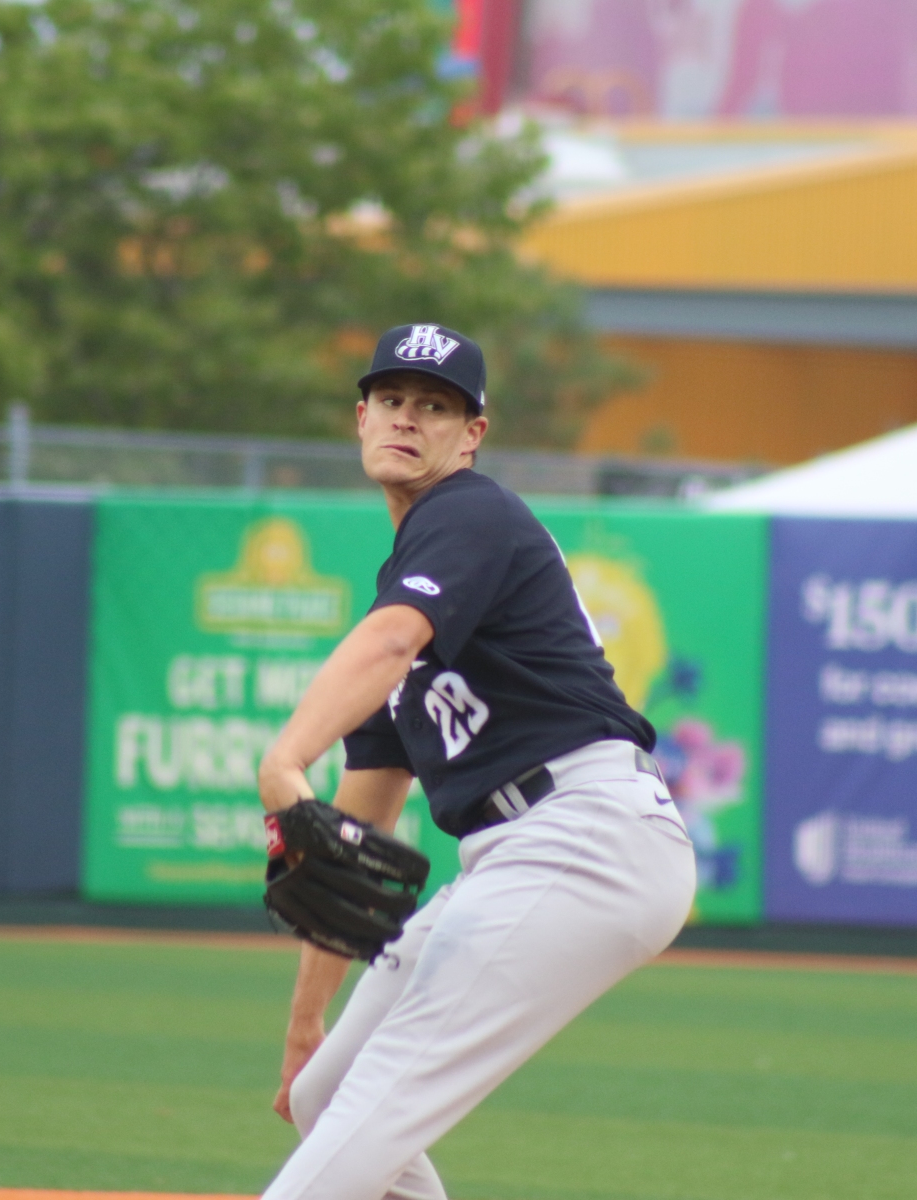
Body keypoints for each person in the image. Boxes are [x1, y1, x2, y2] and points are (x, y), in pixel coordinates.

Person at [256, 323, 697, 1200]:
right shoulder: (416, 566)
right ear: (361, 417)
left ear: (472, 436)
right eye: (391, 399)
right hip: (520, 851)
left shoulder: (469, 513)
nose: (406, 418)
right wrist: (307, 1021)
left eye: (435, 406)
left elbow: (391, 641)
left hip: (585, 834)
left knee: (371, 1109)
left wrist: (283, 759)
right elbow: (358, 824)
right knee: (326, 1094)